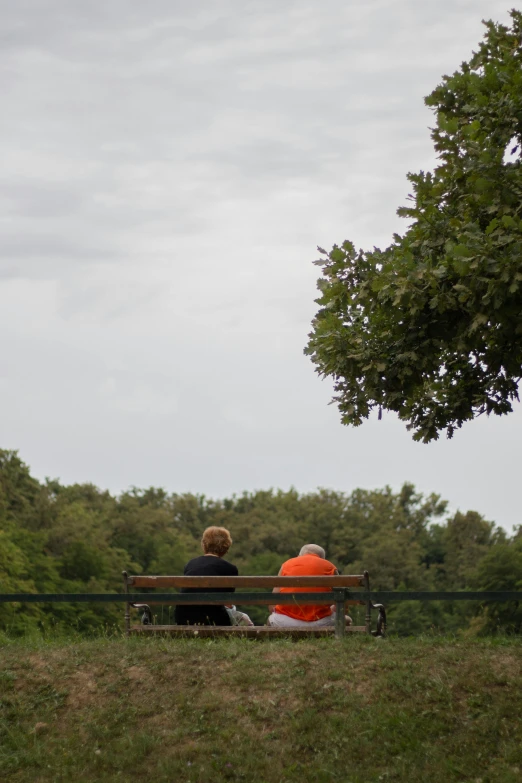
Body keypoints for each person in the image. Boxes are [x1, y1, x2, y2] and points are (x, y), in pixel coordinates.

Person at [175, 526, 253, 626]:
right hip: (215, 619)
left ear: (204, 545)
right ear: (226, 548)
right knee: (245, 620)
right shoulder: (230, 568)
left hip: (183, 618)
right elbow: (227, 603)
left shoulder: (190, 564)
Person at [267, 544, 351, 628]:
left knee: (270, 619)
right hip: (321, 622)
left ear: (299, 555)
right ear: (322, 558)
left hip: (286, 622)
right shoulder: (329, 567)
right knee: (347, 620)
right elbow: (343, 607)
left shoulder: (287, 565)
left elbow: (273, 603)